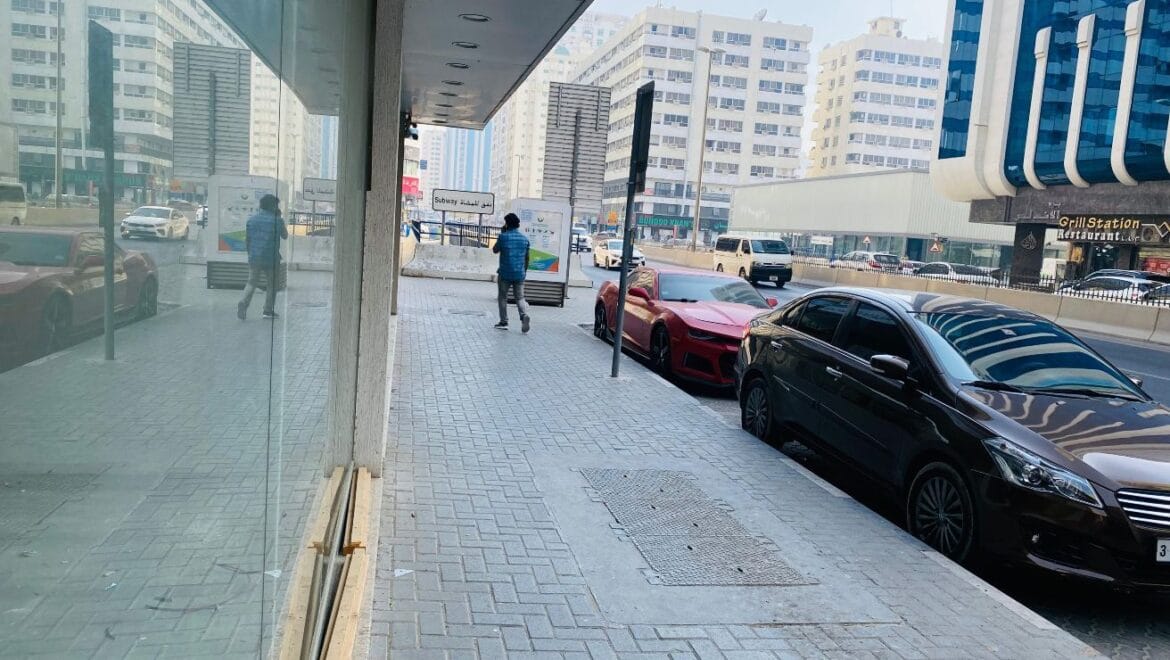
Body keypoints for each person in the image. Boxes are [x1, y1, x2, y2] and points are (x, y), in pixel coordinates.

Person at [237, 194, 288, 320]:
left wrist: (251, 255)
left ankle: (244, 302)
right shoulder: (277, 220)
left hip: (255, 257)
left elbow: (248, 241)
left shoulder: (252, 220)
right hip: (271, 258)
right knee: (272, 284)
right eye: (276, 205)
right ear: (272, 206)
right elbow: (285, 235)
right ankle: (267, 310)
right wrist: (279, 217)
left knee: (251, 282)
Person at [492, 212, 531, 332]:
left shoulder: (503, 237)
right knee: (520, 297)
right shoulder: (525, 239)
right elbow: (527, 258)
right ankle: (524, 315)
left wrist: (503, 234)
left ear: (507, 224)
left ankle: (504, 322)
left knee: (503, 297)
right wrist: (524, 271)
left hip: (505, 273)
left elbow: (495, 250)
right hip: (519, 273)